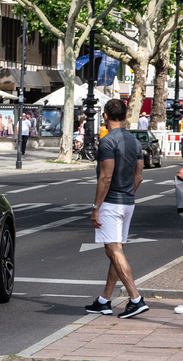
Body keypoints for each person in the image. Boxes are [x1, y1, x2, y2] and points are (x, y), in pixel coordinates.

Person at [85, 98, 148, 319]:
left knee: (114, 250)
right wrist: (128, 195)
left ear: (105, 116)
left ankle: (135, 298)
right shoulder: (135, 142)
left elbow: (106, 176)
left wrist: (96, 207)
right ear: (125, 116)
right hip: (127, 202)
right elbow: (138, 176)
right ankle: (104, 300)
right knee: (114, 250)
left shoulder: (107, 141)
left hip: (111, 203)